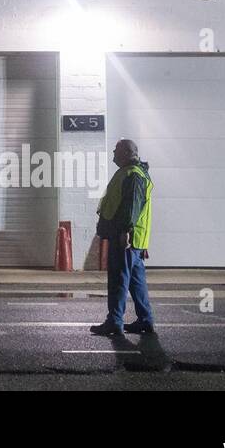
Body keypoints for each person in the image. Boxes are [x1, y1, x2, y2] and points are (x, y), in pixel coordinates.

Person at [90, 138, 156, 336]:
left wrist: (125, 232)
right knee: (137, 283)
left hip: (125, 239)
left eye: (116, 151)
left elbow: (132, 207)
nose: (113, 153)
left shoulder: (133, 176)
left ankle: (115, 321)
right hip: (135, 241)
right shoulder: (133, 173)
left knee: (119, 280)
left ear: (127, 153)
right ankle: (145, 320)